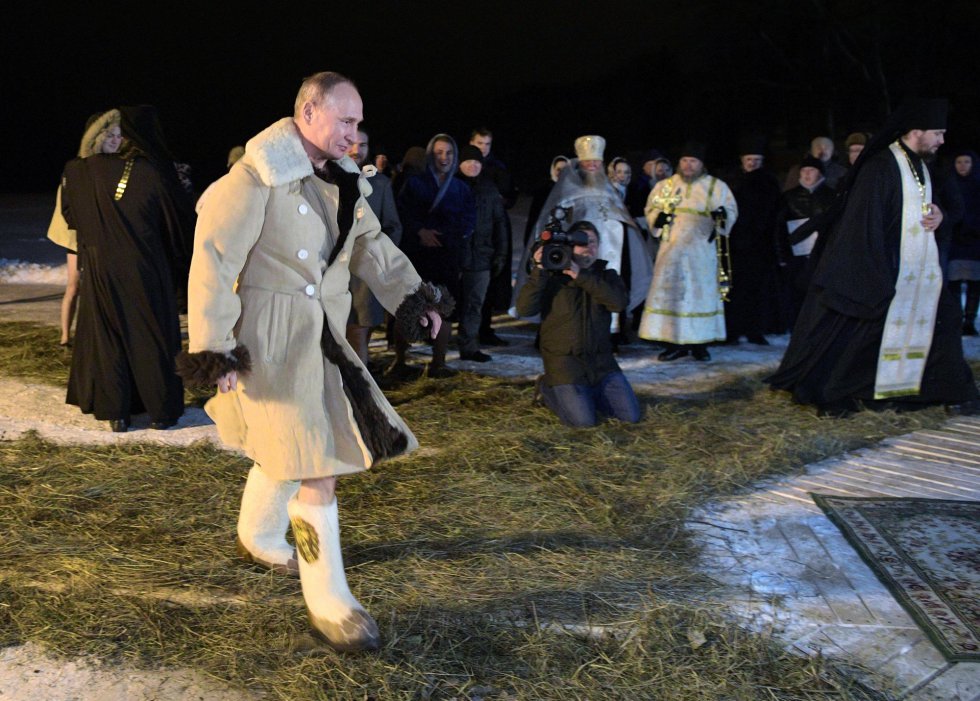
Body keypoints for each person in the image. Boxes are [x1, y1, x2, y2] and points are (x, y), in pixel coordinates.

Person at [179, 72, 452, 652]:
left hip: (323, 338)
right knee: (315, 460)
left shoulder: (347, 181)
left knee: (296, 446)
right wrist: (215, 349)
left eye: (358, 122)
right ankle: (329, 600)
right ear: (308, 111)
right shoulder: (253, 178)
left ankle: (256, 534)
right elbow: (213, 264)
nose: (354, 134)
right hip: (269, 343)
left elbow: (373, 247)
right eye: (345, 120)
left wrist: (412, 299)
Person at [767, 98, 979, 416]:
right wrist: (878, 270)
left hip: (918, 268)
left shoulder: (922, 165)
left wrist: (940, 216)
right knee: (861, 331)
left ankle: (946, 392)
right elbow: (863, 223)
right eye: (937, 132)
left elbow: (933, 209)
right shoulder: (881, 166)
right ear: (916, 131)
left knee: (945, 319)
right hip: (882, 265)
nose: (942, 140)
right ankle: (846, 391)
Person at [61, 105, 193, 432]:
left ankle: (116, 414)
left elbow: (70, 217)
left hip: (97, 270)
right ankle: (161, 412)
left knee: (109, 341)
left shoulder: (76, 171)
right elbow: (174, 226)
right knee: (151, 339)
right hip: (145, 268)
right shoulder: (150, 172)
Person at [515, 135, 653, 342]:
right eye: (587, 162)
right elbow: (554, 220)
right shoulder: (566, 190)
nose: (592, 166)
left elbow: (623, 219)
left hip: (606, 251)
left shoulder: (610, 191)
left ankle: (611, 334)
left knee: (603, 286)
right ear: (579, 164)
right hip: (573, 254)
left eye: (596, 163)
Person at [516, 220, 641, 427]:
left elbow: (618, 303)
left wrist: (580, 276)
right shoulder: (551, 277)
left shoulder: (607, 276)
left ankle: (588, 395)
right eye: (582, 242)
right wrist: (539, 270)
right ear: (569, 246)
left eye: (593, 242)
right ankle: (548, 387)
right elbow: (524, 309)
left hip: (602, 364)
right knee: (583, 423)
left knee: (630, 417)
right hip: (565, 363)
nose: (588, 247)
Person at [638, 141, 738, 361]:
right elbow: (651, 209)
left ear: (701, 164)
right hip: (671, 252)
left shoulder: (715, 186)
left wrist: (721, 217)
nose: (688, 166)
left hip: (701, 252)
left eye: (693, 161)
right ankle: (674, 343)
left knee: (699, 296)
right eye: (684, 161)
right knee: (672, 296)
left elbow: (730, 210)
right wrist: (657, 218)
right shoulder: (666, 186)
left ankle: (699, 344)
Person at [393, 133, 476, 378]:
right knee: (408, 306)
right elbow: (402, 213)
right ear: (431, 155)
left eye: (449, 153)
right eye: (439, 153)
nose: (444, 158)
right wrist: (420, 231)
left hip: (447, 256)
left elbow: (468, 220)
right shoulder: (415, 183)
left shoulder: (461, 188)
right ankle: (400, 361)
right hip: (417, 254)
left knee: (445, 308)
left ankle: (438, 363)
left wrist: (442, 236)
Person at [47, 109, 123, 347]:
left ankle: (98, 335)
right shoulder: (78, 169)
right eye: (109, 134)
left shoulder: (114, 166)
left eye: (118, 135)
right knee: (74, 286)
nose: (115, 140)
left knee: (100, 288)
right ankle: (65, 336)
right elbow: (68, 207)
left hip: (98, 238)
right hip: (77, 237)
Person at [345, 127, 403, 365]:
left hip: (364, 273)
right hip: (329, 270)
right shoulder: (321, 179)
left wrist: (378, 256)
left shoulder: (380, 184)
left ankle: (361, 389)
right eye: (351, 143)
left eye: (363, 145)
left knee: (361, 327)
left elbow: (393, 226)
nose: (356, 150)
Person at [722, 138, 781, 344]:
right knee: (733, 290)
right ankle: (733, 331)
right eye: (749, 159)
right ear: (742, 160)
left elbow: (773, 212)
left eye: (756, 159)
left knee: (756, 290)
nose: (752, 163)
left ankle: (754, 330)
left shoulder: (769, 181)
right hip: (735, 244)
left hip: (758, 245)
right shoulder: (732, 180)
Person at [456, 144, 509, 362]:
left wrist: (501, 254)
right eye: (468, 161)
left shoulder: (489, 190)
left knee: (474, 304)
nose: (473, 165)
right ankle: (435, 342)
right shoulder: (452, 186)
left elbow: (500, 224)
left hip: (482, 257)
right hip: (455, 258)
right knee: (448, 303)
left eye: (477, 162)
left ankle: (469, 346)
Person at [773, 155, 836, 329]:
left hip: (823, 255)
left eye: (812, 170)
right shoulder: (788, 197)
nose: (807, 174)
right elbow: (778, 229)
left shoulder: (832, 196)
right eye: (804, 170)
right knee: (797, 295)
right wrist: (782, 255)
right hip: (797, 257)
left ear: (820, 173)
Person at [469, 127, 517, 347]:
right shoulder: (466, 165)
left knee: (488, 285)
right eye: (479, 144)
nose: (483, 149)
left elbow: (509, 195)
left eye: (487, 144)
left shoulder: (497, 168)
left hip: (491, 232)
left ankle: (485, 330)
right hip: (469, 233)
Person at [948, 149, 980, 335]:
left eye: (966, 162)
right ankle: (956, 320)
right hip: (955, 240)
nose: (962, 166)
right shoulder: (951, 184)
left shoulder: (977, 185)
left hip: (975, 241)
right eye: (959, 162)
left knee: (975, 284)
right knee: (954, 283)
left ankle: (969, 321)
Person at [523, 155, 569, 247]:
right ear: (553, 170)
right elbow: (534, 219)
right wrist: (529, 242)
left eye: (564, 170)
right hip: (545, 239)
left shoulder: (573, 192)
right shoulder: (543, 192)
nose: (561, 173)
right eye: (558, 169)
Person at [783, 136, 849, 190]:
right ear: (811, 150)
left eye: (827, 147)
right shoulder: (796, 171)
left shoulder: (841, 172)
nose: (822, 150)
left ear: (832, 151)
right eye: (818, 147)